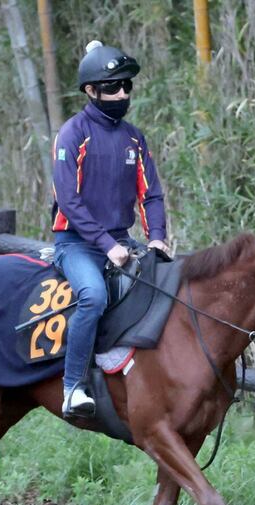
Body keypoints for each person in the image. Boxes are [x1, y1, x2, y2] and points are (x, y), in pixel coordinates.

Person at [52, 40, 170, 417]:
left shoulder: (134, 137)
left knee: (170, 283)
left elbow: (150, 194)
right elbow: (68, 200)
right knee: (94, 296)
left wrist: (156, 238)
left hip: (123, 239)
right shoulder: (73, 134)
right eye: (112, 87)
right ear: (91, 91)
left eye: (127, 86)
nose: (122, 93)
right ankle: (73, 388)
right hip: (77, 244)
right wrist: (105, 244)